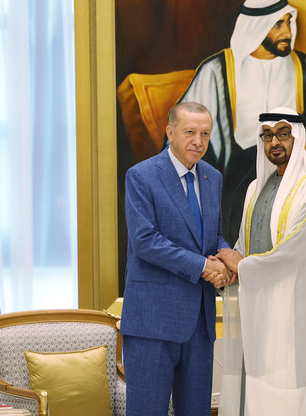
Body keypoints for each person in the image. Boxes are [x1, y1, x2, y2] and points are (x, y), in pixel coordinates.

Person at [179, 0, 306, 244]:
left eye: (289, 22)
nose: (287, 31)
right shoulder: (217, 70)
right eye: (278, 24)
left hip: (288, 172)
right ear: (256, 28)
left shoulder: (303, 69)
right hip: (231, 174)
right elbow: (184, 132)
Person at [216, 107, 306, 415]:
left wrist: (242, 266)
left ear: (298, 137)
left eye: (282, 134)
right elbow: (244, 244)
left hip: (296, 316)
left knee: (292, 398)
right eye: (267, 136)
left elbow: (296, 249)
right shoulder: (255, 188)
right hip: (258, 314)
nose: (274, 143)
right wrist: (226, 267)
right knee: (258, 395)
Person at [120, 101, 234, 415]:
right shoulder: (142, 176)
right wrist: (203, 267)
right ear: (170, 132)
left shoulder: (213, 178)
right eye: (190, 132)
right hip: (152, 323)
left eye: (205, 134)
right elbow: (145, 241)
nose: (198, 141)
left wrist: (226, 260)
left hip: (200, 323)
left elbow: (214, 236)